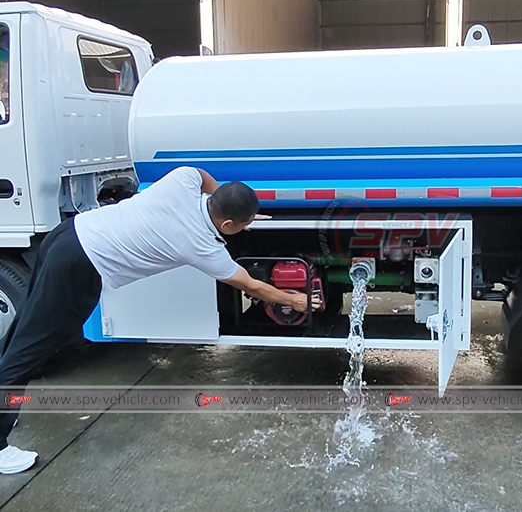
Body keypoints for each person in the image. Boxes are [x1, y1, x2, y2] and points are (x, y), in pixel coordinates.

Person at [0, 166, 320, 474]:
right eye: (242, 224)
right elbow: (251, 285)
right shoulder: (201, 245)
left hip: (68, 234)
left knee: (27, 326)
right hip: (80, 265)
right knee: (33, 348)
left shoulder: (182, 182)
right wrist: (296, 299)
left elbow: (203, 176)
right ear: (226, 225)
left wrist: (238, 215)